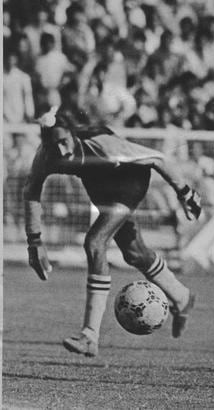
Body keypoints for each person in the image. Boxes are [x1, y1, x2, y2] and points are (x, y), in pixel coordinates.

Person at [23, 107, 201, 357]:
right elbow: (31, 191)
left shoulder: (103, 145)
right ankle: (181, 297)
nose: (61, 151)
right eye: (54, 146)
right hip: (100, 185)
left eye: (64, 142)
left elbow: (158, 159)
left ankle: (89, 336)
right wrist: (34, 242)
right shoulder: (46, 155)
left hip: (130, 181)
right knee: (134, 253)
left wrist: (185, 192)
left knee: (95, 242)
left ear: (74, 134)